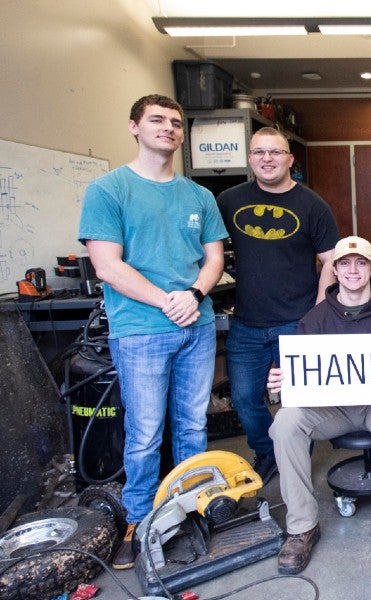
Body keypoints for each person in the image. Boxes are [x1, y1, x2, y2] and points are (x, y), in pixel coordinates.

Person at [77, 94, 228, 569]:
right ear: (134, 127)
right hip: (140, 329)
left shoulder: (199, 196)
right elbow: (107, 264)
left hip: (197, 326)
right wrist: (167, 299)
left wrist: (196, 295)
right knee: (144, 433)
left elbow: (215, 258)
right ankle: (140, 522)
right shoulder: (108, 190)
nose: (168, 128)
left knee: (193, 425)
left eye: (176, 123)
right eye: (157, 120)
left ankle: (190, 509)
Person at [265, 236, 371, 572]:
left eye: (360, 262)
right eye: (344, 263)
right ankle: (302, 526)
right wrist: (282, 384)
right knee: (286, 422)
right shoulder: (315, 320)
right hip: (331, 409)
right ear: (333, 270)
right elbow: (300, 378)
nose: (352, 270)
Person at [217, 127, 339, 484]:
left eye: (275, 152)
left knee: (297, 401)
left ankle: (295, 456)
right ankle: (268, 451)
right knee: (243, 399)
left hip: (296, 320)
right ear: (250, 159)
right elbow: (206, 247)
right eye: (259, 152)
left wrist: (317, 313)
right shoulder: (228, 201)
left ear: (290, 159)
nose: (266, 159)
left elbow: (330, 261)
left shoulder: (312, 205)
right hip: (247, 323)